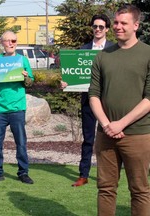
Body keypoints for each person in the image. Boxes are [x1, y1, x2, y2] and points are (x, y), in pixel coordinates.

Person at [89, 4, 150, 215]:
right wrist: (107, 125)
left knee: (140, 190)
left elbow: (149, 98)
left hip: (138, 134)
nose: (118, 26)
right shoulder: (103, 56)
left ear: (136, 25)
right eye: (115, 22)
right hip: (105, 134)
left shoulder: (148, 54)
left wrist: (120, 124)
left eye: (123, 23)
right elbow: (93, 95)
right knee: (105, 189)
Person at [61, 14, 114, 187]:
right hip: (89, 101)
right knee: (88, 139)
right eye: (95, 26)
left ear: (107, 29)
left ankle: (107, 175)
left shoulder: (114, 50)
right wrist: (66, 82)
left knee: (109, 139)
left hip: (110, 101)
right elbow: (74, 75)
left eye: (101, 27)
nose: (97, 29)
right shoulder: (82, 50)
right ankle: (83, 175)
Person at [0, 31, 34, 184]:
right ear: (2, 42)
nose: (11, 43)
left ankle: (23, 172)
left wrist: (26, 77)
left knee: (21, 143)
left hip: (17, 108)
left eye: (14, 40)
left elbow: (30, 82)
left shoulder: (22, 60)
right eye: (8, 41)